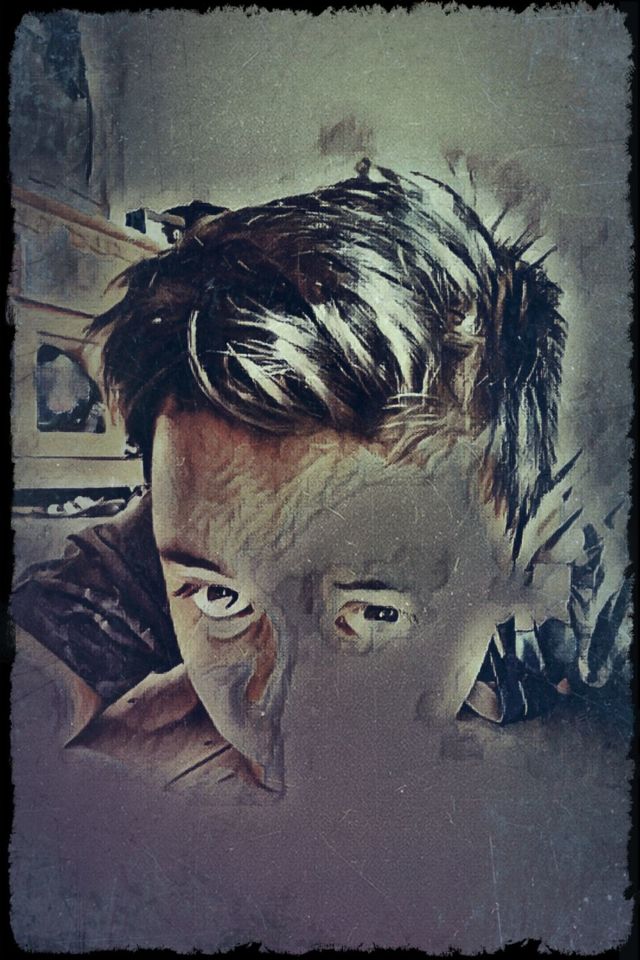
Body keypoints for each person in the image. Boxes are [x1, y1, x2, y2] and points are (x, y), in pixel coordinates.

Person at [11, 162, 630, 797]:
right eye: (222, 599)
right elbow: (43, 659)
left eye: (376, 612)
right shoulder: (214, 512)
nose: (284, 719)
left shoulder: (591, 577)